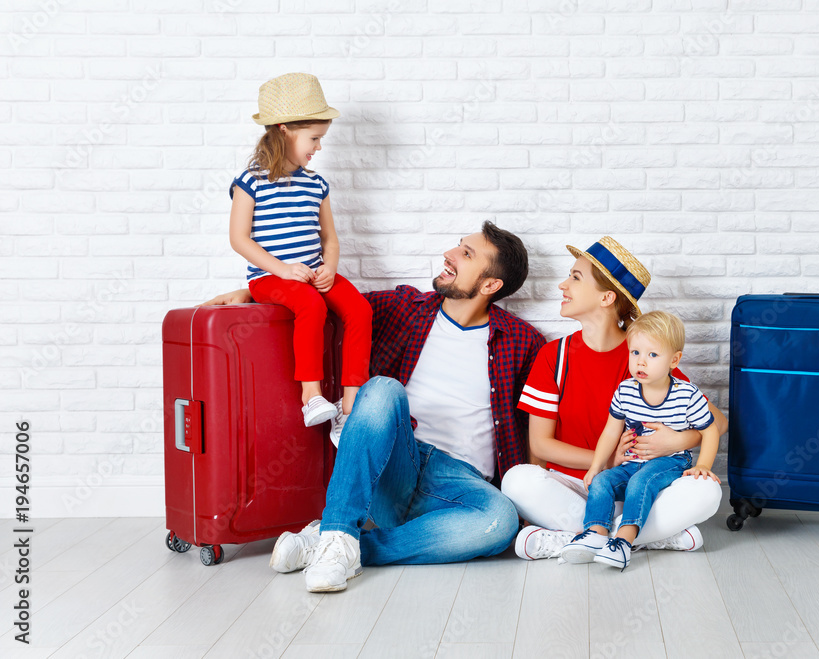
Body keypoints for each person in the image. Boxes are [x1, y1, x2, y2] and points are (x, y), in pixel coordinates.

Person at [203, 222, 545, 593]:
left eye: (466, 254)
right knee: (382, 389)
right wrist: (252, 293)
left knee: (499, 520)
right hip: (395, 461)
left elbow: (536, 423)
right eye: (458, 246)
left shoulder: (522, 341)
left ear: (490, 285)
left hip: (459, 482)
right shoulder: (405, 308)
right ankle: (339, 534)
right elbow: (331, 304)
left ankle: (337, 545)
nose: (449, 254)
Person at [502, 237, 727, 561]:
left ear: (607, 297)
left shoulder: (643, 357)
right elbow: (540, 446)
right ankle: (646, 537)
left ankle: (581, 537)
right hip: (576, 488)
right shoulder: (555, 356)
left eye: (575, 277)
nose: (563, 285)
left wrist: (674, 442)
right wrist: (607, 459)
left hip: (639, 488)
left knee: (707, 491)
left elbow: (718, 423)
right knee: (516, 480)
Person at [229, 72, 372, 434]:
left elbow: (330, 238)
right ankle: (312, 396)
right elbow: (239, 239)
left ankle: (350, 404)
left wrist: (330, 266)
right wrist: (281, 269)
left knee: (359, 309)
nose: (318, 147)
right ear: (284, 130)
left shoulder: (317, 184)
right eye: (314, 138)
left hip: (311, 273)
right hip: (270, 277)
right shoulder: (251, 181)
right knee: (311, 305)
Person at [560, 310, 720, 570]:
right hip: (631, 463)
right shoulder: (625, 391)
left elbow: (710, 430)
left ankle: (623, 543)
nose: (641, 362)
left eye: (652, 355)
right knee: (602, 482)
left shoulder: (687, 395)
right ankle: (596, 535)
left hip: (670, 461)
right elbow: (611, 432)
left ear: (674, 360)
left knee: (641, 481)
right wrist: (597, 465)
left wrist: (703, 465)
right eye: (635, 353)